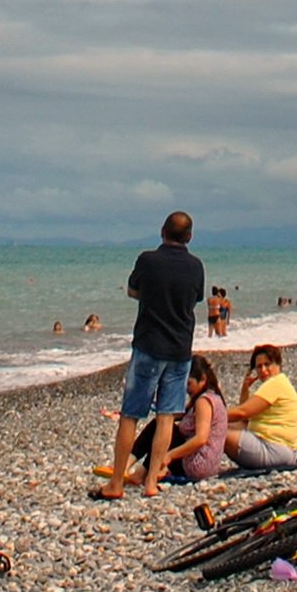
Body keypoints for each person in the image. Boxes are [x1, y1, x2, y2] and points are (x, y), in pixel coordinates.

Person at [98, 210, 203, 500]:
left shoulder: (148, 260)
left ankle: (116, 482)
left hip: (149, 344)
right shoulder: (196, 266)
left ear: (162, 232)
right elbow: (195, 298)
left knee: (131, 414)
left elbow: (133, 291)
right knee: (167, 416)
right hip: (180, 347)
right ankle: (151, 482)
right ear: (189, 237)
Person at [222, 344, 297, 472]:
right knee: (226, 424)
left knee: (215, 430)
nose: (263, 370)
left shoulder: (275, 384)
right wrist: (245, 389)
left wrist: (209, 417)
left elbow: (242, 412)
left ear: (278, 365)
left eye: (267, 364)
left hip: (274, 450)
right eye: (259, 366)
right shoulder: (280, 383)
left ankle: (200, 465)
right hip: (285, 451)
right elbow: (245, 417)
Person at [162, 358, 231, 482]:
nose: (186, 389)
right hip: (209, 466)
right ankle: (140, 468)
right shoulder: (212, 397)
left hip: (197, 466)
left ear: (203, 379)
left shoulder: (203, 402)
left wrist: (170, 455)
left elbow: (201, 439)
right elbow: (181, 414)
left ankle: (137, 468)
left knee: (160, 427)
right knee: (162, 422)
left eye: (189, 384)